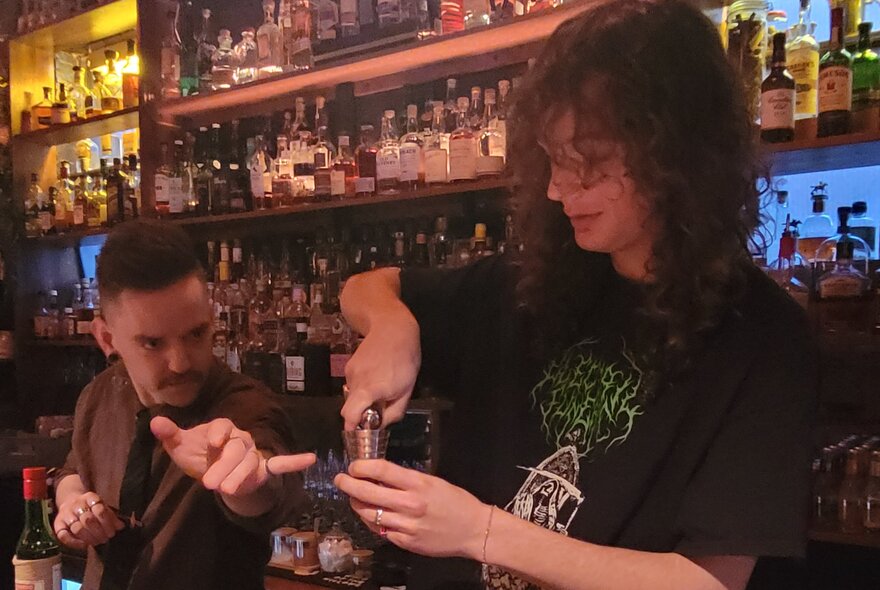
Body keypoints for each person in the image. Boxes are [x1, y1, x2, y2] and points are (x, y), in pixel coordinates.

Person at [335, 1, 816, 589]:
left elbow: (706, 582)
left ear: (677, 158)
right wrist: (392, 327)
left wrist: (478, 531)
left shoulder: (763, 339)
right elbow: (366, 286)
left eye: (589, 164)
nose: (560, 190)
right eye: (554, 162)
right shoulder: (523, 283)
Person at [53, 220, 316, 590]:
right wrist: (74, 502)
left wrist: (247, 481)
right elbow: (73, 470)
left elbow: (265, 489)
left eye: (195, 334)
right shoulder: (99, 394)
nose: (180, 363)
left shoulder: (243, 404)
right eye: (153, 343)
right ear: (107, 338)